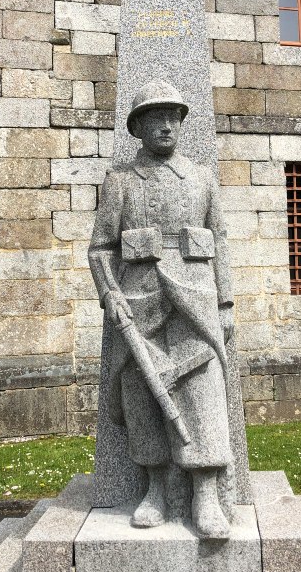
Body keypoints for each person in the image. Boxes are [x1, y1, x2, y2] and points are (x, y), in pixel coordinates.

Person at [89, 80, 235, 539]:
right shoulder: (121, 182)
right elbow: (99, 249)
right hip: (139, 299)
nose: (167, 126)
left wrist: (226, 303)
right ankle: (155, 487)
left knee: (201, 387)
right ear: (139, 128)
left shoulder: (201, 177)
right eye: (156, 118)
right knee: (143, 389)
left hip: (194, 297)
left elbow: (222, 241)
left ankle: (206, 493)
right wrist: (110, 295)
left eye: (173, 116)